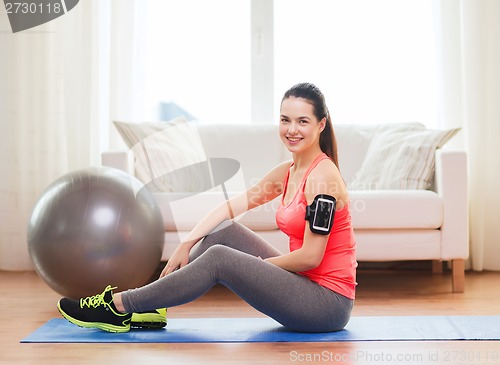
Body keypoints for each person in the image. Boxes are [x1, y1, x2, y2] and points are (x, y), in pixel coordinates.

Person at [57, 82, 357, 333]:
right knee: (221, 234)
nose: (292, 129)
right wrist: (185, 244)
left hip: (326, 305)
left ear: (320, 125)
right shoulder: (288, 171)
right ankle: (153, 306)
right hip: (305, 288)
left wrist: (256, 267)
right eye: (285, 119)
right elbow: (230, 207)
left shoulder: (323, 178)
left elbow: (310, 256)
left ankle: (120, 306)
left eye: (302, 121)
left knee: (220, 258)